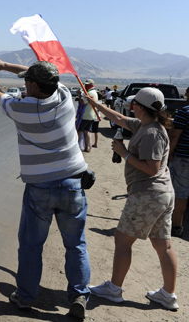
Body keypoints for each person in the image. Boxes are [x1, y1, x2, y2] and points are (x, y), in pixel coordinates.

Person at [0, 57, 90, 319]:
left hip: (39, 188)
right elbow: (31, 75)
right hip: (73, 183)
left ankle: (27, 297)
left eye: (28, 81)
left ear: (32, 85)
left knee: (31, 246)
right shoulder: (64, 95)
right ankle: (78, 296)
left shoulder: (21, 108)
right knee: (75, 244)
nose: (25, 83)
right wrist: (5, 65)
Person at [87, 88, 179, 310]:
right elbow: (118, 118)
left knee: (122, 240)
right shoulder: (143, 125)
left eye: (134, 103)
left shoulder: (152, 133)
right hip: (160, 195)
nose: (131, 106)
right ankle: (168, 295)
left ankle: (114, 289)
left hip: (148, 194)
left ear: (140, 107)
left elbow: (152, 169)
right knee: (162, 245)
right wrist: (95, 104)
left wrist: (124, 153)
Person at [168, 88, 189, 238]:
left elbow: (174, 135)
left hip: (183, 158)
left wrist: (168, 154)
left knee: (179, 193)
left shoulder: (185, 111)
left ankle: (176, 226)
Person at [77, 80, 99, 152]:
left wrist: (80, 95)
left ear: (90, 85)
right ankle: (88, 147)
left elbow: (83, 102)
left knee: (79, 131)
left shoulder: (89, 93)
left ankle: (76, 147)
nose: (85, 86)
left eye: (86, 85)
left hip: (85, 115)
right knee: (87, 131)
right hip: (91, 116)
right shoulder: (94, 92)